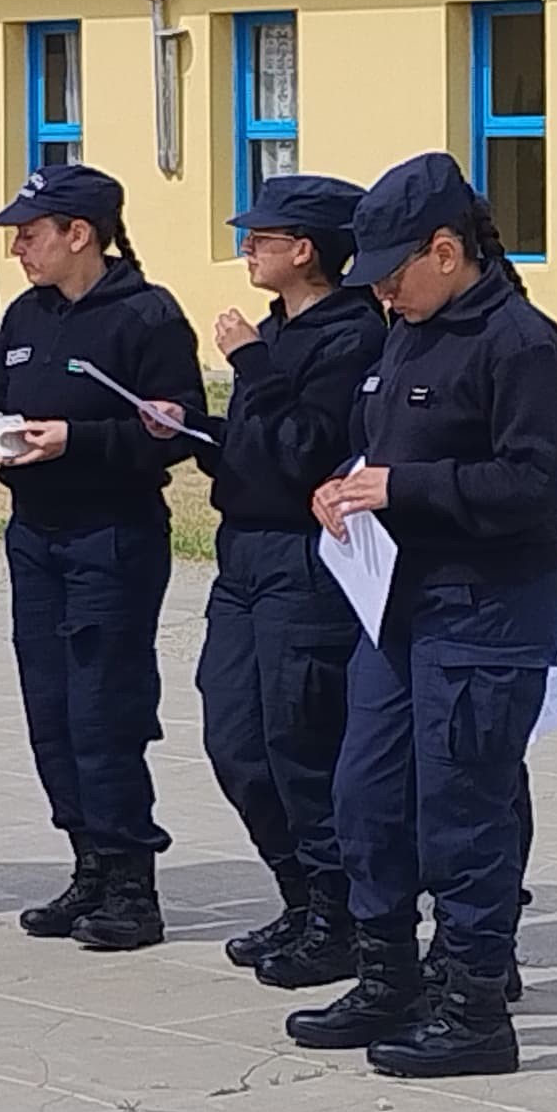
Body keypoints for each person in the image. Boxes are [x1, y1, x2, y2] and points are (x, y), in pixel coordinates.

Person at [290, 151, 557, 1080]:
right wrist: (341, 487)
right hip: (398, 602)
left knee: (463, 805)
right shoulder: (406, 330)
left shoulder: (523, 345)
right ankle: (387, 974)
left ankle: (474, 1001)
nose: (381, 294)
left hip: (487, 607)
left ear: (447, 252)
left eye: (393, 273)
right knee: (365, 794)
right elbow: (376, 443)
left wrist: (402, 487)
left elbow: (532, 483)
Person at [0, 165, 209, 952]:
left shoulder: (145, 316)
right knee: (49, 707)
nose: (18, 249)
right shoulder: (25, 317)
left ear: (81, 234)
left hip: (110, 536)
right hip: (35, 535)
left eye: (31, 235)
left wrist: (77, 440)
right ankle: (85, 860)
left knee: (102, 706)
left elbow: (177, 431)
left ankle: (130, 878)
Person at [199, 174, 382, 989]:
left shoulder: (350, 337)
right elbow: (262, 444)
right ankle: (299, 893)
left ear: (304, 250)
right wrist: (197, 434)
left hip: (303, 560)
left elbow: (312, 448)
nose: (248, 249)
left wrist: (249, 365)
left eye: (261, 239)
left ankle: (338, 914)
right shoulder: (276, 332)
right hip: (241, 550)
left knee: (298, 739)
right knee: (233, 736)